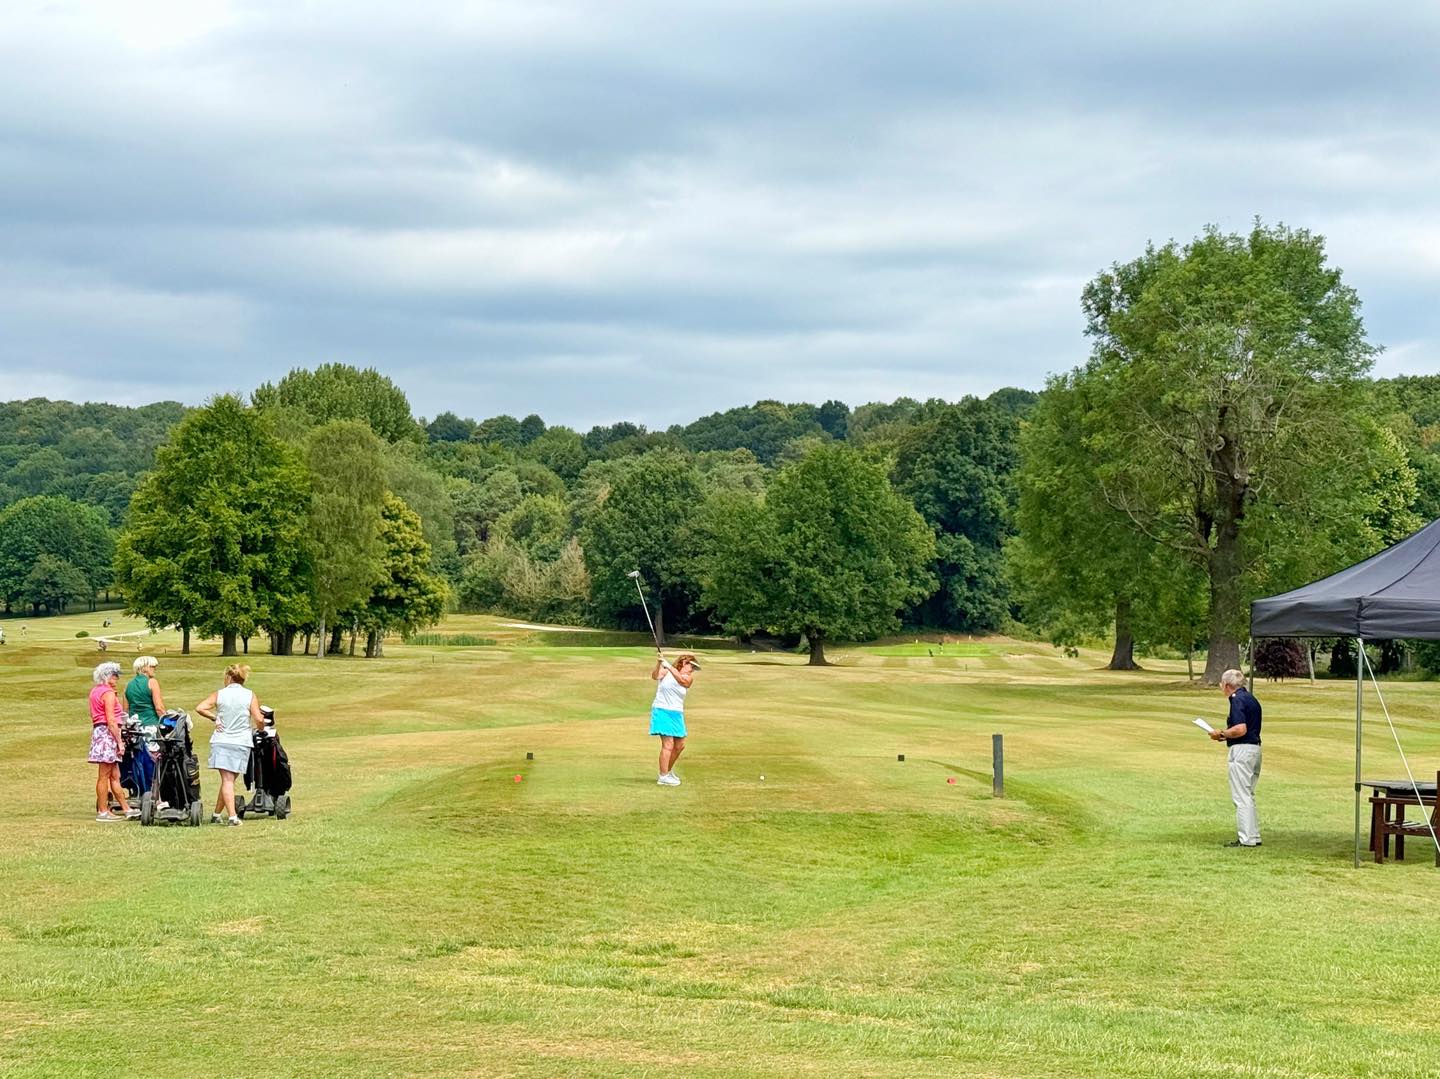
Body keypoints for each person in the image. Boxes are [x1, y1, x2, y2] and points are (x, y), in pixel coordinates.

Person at [195, 663, 264, 826]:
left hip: (222, 740)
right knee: (229, 780)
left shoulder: (220, 694)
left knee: (227, 780)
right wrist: (260, 729)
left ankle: (218, 813)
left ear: (228, 677)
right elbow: (259, 719)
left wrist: (214, 718)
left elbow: (200, 707)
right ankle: (231, 816)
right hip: (241, 742)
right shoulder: (249, 695)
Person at [1208, 668, 1262, 847]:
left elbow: (1240, 729)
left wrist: (1221, 732)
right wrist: (1225, 736)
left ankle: (1246, 838)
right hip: (1254, 749)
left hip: (1241, 751)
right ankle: (1253, 836)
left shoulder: (1236, 699)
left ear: (1227, 685)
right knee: (1248, 794)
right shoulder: (1251, 699)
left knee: (1241, 796)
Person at [87, 661, 136, 821]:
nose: (117, 679)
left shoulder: (95, 691)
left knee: (115, 775)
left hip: (100, 732)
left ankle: (126, 809)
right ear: (107, 676)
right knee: (104, 775)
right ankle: (102, 811)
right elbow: (111, 720)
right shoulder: (107, 693)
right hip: (108, 734)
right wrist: (120, 742)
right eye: (115, 676)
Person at [649, 651, 699, 787]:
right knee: (668, 744)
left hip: (677, 713)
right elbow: (655, 676)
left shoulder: (688, 678)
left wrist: (669, 666)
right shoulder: (666, 672)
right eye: (691, 666)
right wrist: (660, 663)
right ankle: (663, 776)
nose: (692, 670)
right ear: (683, 663)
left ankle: (667, 771)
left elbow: (682, 681)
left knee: (680, 745)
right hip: (662, 709)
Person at [125, 655, 166, 736]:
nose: (155, 669)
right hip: (151, 726)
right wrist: (167, 723)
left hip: (134, 729)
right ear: (144, 668)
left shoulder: (128, 685)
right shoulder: (152, 682)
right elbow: (159, 708)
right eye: (152, 666)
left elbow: (125, 711)